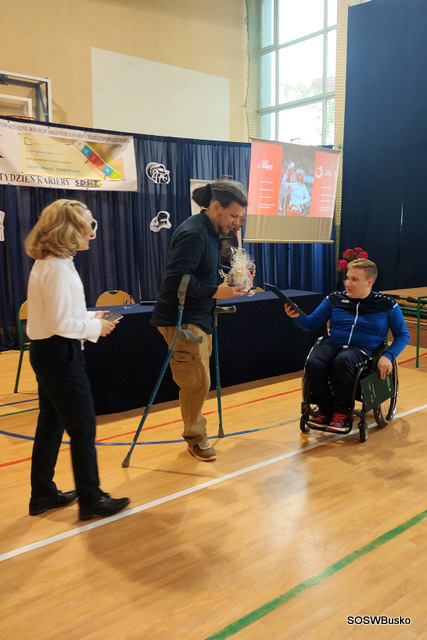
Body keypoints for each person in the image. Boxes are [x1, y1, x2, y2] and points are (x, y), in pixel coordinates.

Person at [25, 199, 130, 519]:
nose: (93, 232)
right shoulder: (56, 268)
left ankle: (43, 493)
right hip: (59, 353)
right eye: (89, 225)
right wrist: (96, 326)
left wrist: (88, 316)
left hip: (49, 351)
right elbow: (60, 323)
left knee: (51, 424)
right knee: (83, 427)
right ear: (69, 229)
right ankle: (91, 498)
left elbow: (59, 314)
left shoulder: (53, 262)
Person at [151, 179, 249, 461]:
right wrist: (216, 291)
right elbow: (175, 280)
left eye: (240, 218)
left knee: (199, 379)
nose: (236, 223)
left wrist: (232, 276)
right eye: (233, 216)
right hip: (182, 318)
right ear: (217, 207)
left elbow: (202, 269)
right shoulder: (194, 232)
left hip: (200, 315)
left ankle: (195, 433)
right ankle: (195, 437)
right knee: (197, 382)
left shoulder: (210, 231)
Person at [284, 258, 409, 430]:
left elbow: (403, 335)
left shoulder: (386, 305)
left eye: (354, 279)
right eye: (347, 278)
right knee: (313, 362)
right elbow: (311, 323)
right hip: (334, 343)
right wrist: (296, 316)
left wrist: (388, 356)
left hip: (363, 349)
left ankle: (343, 414)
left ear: (369, 282)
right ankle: (325, 410)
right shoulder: (334, 299)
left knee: (343, 361)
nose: (348, 284)